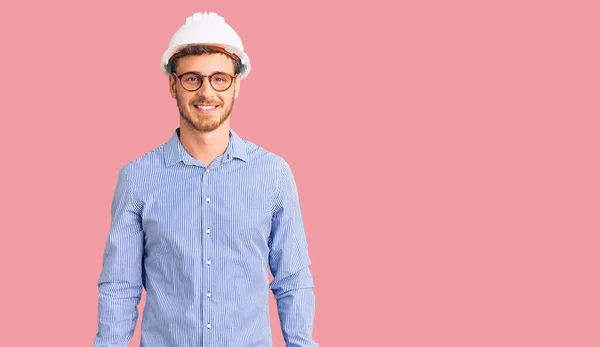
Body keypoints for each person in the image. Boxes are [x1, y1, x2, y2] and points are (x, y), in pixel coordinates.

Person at [94, 12, 318, 347]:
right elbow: (120, 287)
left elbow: (293, 279)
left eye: (219, 78)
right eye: (192, 79)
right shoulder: (137, 179)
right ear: (172, 84)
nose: (206, 92)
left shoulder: (273, 175)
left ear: (236, 84)